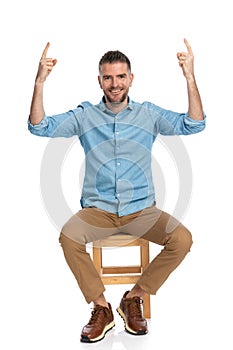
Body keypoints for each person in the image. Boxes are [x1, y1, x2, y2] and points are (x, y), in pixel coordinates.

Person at [28, 39, 206, 343]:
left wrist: (190, 76)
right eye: (108, 77)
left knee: (182, 239)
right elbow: (39, 127)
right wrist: (39, 82)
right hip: (98, 211)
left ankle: (133, 297)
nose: (115, 84)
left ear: (131, 79)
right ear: (99, 80)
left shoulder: (148, 114)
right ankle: (101, 307)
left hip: (142, 211)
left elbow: (194, 124)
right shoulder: (85, 116)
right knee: (69, 237)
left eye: (121, 76)